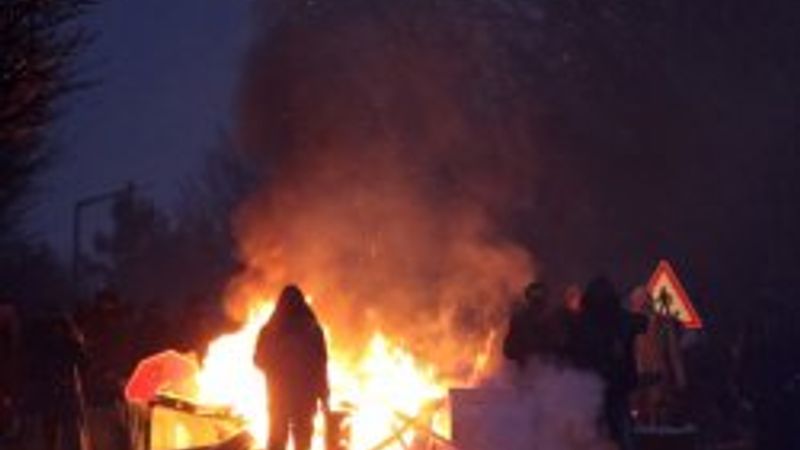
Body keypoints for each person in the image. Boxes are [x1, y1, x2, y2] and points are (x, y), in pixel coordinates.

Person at [572, 277, 646, 450]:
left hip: (597, 388)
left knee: (597, 433)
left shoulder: (582, 321)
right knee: (619, 432)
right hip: (609, 386)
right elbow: (642, 323)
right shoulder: (621, 319)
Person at [254, 285, 329, 450]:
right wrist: (324, 396)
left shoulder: (269, 330)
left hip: (278, 395)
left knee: (276, 439)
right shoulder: (313, 330)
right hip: (305, 397)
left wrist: (275, 368)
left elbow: (258, 361)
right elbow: (320, 365)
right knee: (302, 441)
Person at [503, 282, 559, 369]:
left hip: (546, 368)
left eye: (540, 296)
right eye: (534, 296)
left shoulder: (552, 318)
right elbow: (509, 349)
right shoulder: (520, 318)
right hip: (524, 370)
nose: (537, 301)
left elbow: (557, 345)